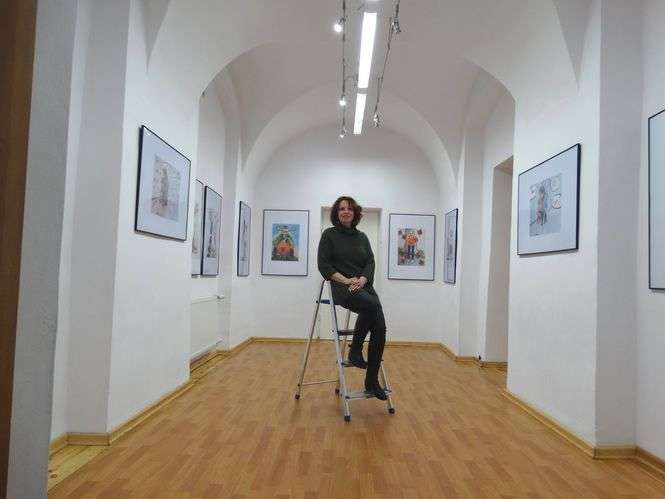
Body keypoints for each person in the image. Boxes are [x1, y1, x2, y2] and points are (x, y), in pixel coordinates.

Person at [317, 196, 388, 400]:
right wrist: (347, 280)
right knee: (373, 308)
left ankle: (371, 381)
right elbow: (324, 265)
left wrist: (363, 279)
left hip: (363, 286)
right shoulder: (329, 235)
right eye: (341, 209)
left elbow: (370, 262)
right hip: (342, 286)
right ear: (336, 213)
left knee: (380, 327)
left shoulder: (362, 237)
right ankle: (356, 349)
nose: (345, 211)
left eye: (349, 208)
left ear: (355, 213)